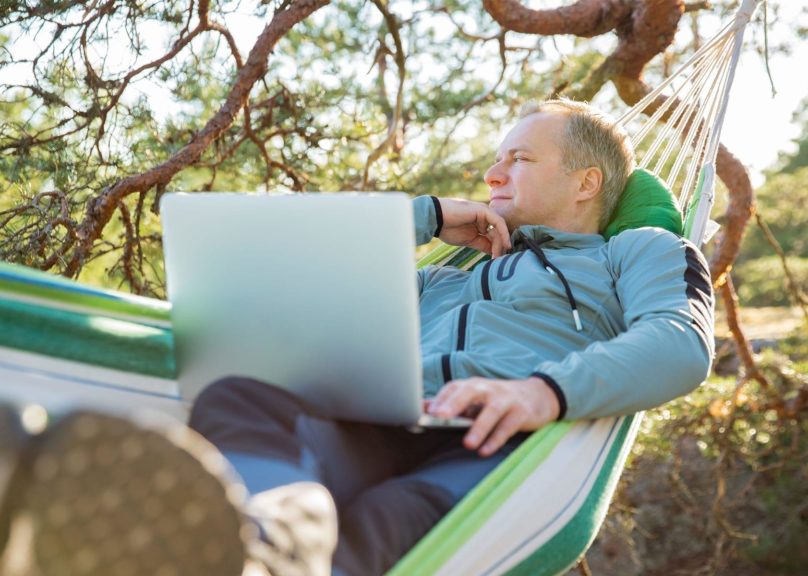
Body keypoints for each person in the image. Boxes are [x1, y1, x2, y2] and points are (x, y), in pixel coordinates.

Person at [0, 99, 714, 576]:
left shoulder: (637, 250)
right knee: (241, 392)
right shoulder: (445, 277)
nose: (494, 172)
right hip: (377, 415)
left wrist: (544, 392)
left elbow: (681, 341)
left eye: (519, 159)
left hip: (499, 439)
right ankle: (270, 544)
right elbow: (276, 286)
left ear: (587, 183)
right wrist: (426, 216)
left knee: (387, 517)